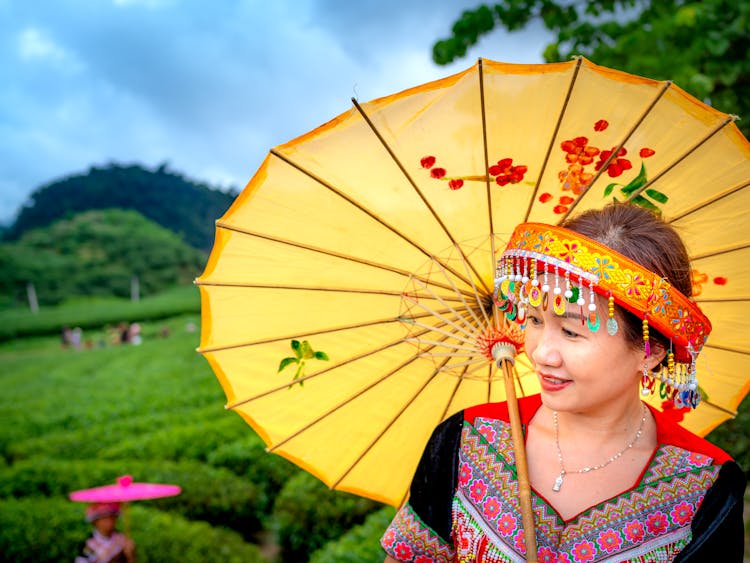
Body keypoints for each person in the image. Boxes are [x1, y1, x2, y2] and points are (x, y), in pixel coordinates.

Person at [381, 203, 746, 562]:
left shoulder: (701, 488)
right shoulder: (468, 439)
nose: (541, 354)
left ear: (648, 351)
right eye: (536, 321)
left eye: (571, 331)